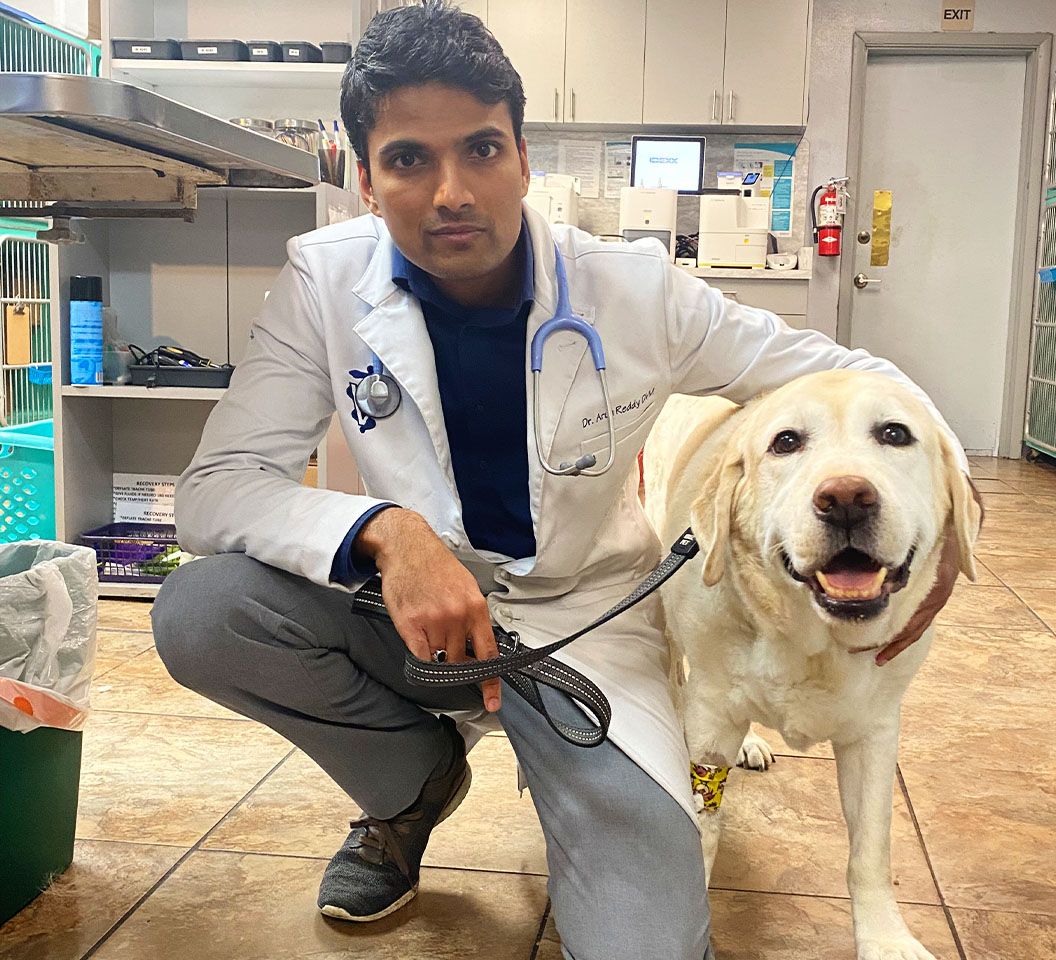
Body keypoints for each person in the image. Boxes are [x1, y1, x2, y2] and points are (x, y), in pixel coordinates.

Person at [151, 3, 968, 957]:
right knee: (203, 611)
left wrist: (948, 515)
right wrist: (388, 531)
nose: (453, 190)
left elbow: (854, 374)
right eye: (411, 159)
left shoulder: (636, 291)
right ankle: (405, 789)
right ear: (365, 179)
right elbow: (216, 490)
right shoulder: (321, 284)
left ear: (525, 160)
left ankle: (566, 782)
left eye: (483, 150)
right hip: (414, 615)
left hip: (583, 626)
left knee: (647, 945)